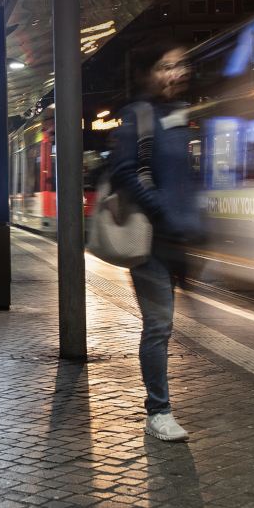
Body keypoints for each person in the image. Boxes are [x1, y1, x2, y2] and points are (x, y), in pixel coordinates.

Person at [108, 40, 201, 442]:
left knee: (166, 323)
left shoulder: (182, 115)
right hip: (149, 239)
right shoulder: (136, 115)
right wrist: (163, 209)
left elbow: (186, 178)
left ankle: (159, 408)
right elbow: (125, 172)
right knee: (159, 325)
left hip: (178, 238)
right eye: (166, 66)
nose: (176, 73)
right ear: (146, 73)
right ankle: (158, 412)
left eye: (181, 66)